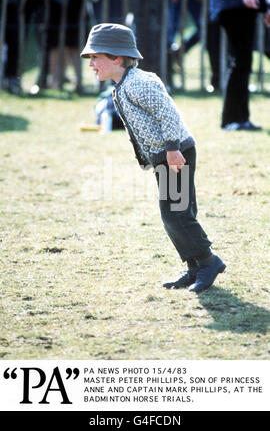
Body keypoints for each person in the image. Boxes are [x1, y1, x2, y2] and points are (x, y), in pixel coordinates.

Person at [80, 23, 226, 293]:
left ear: (117, 57)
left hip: (176, 155)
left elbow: (167, 113)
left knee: (176, 214)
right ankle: (195, 266)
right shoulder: (121, 85)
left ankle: (209, 262)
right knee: (175, 214)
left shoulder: (139, 83)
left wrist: (171, 149)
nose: (91, 63)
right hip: (165, 157)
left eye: (95, 57)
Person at [209, 0, 270, 131]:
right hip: (232, 7)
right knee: (239, 62)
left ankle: (241, 118)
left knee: (243, 62)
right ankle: (231, 120)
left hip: (245, 7)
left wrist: (264, 7)